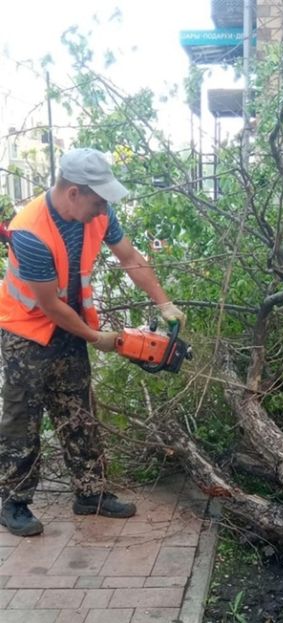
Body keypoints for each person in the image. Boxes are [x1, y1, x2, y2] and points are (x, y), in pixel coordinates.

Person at [0, 148, 186, 536]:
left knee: (78, 411)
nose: (103, 208)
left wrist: (163, 301)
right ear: (73, 193)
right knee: (23, 418)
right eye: (98, 199)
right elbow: (49, 305)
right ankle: (14, 502)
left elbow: (130, 257)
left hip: (69, 326)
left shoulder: (99, 214)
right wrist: (97, 337)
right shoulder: (29, 231)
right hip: (25, 331)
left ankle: (91, 493)